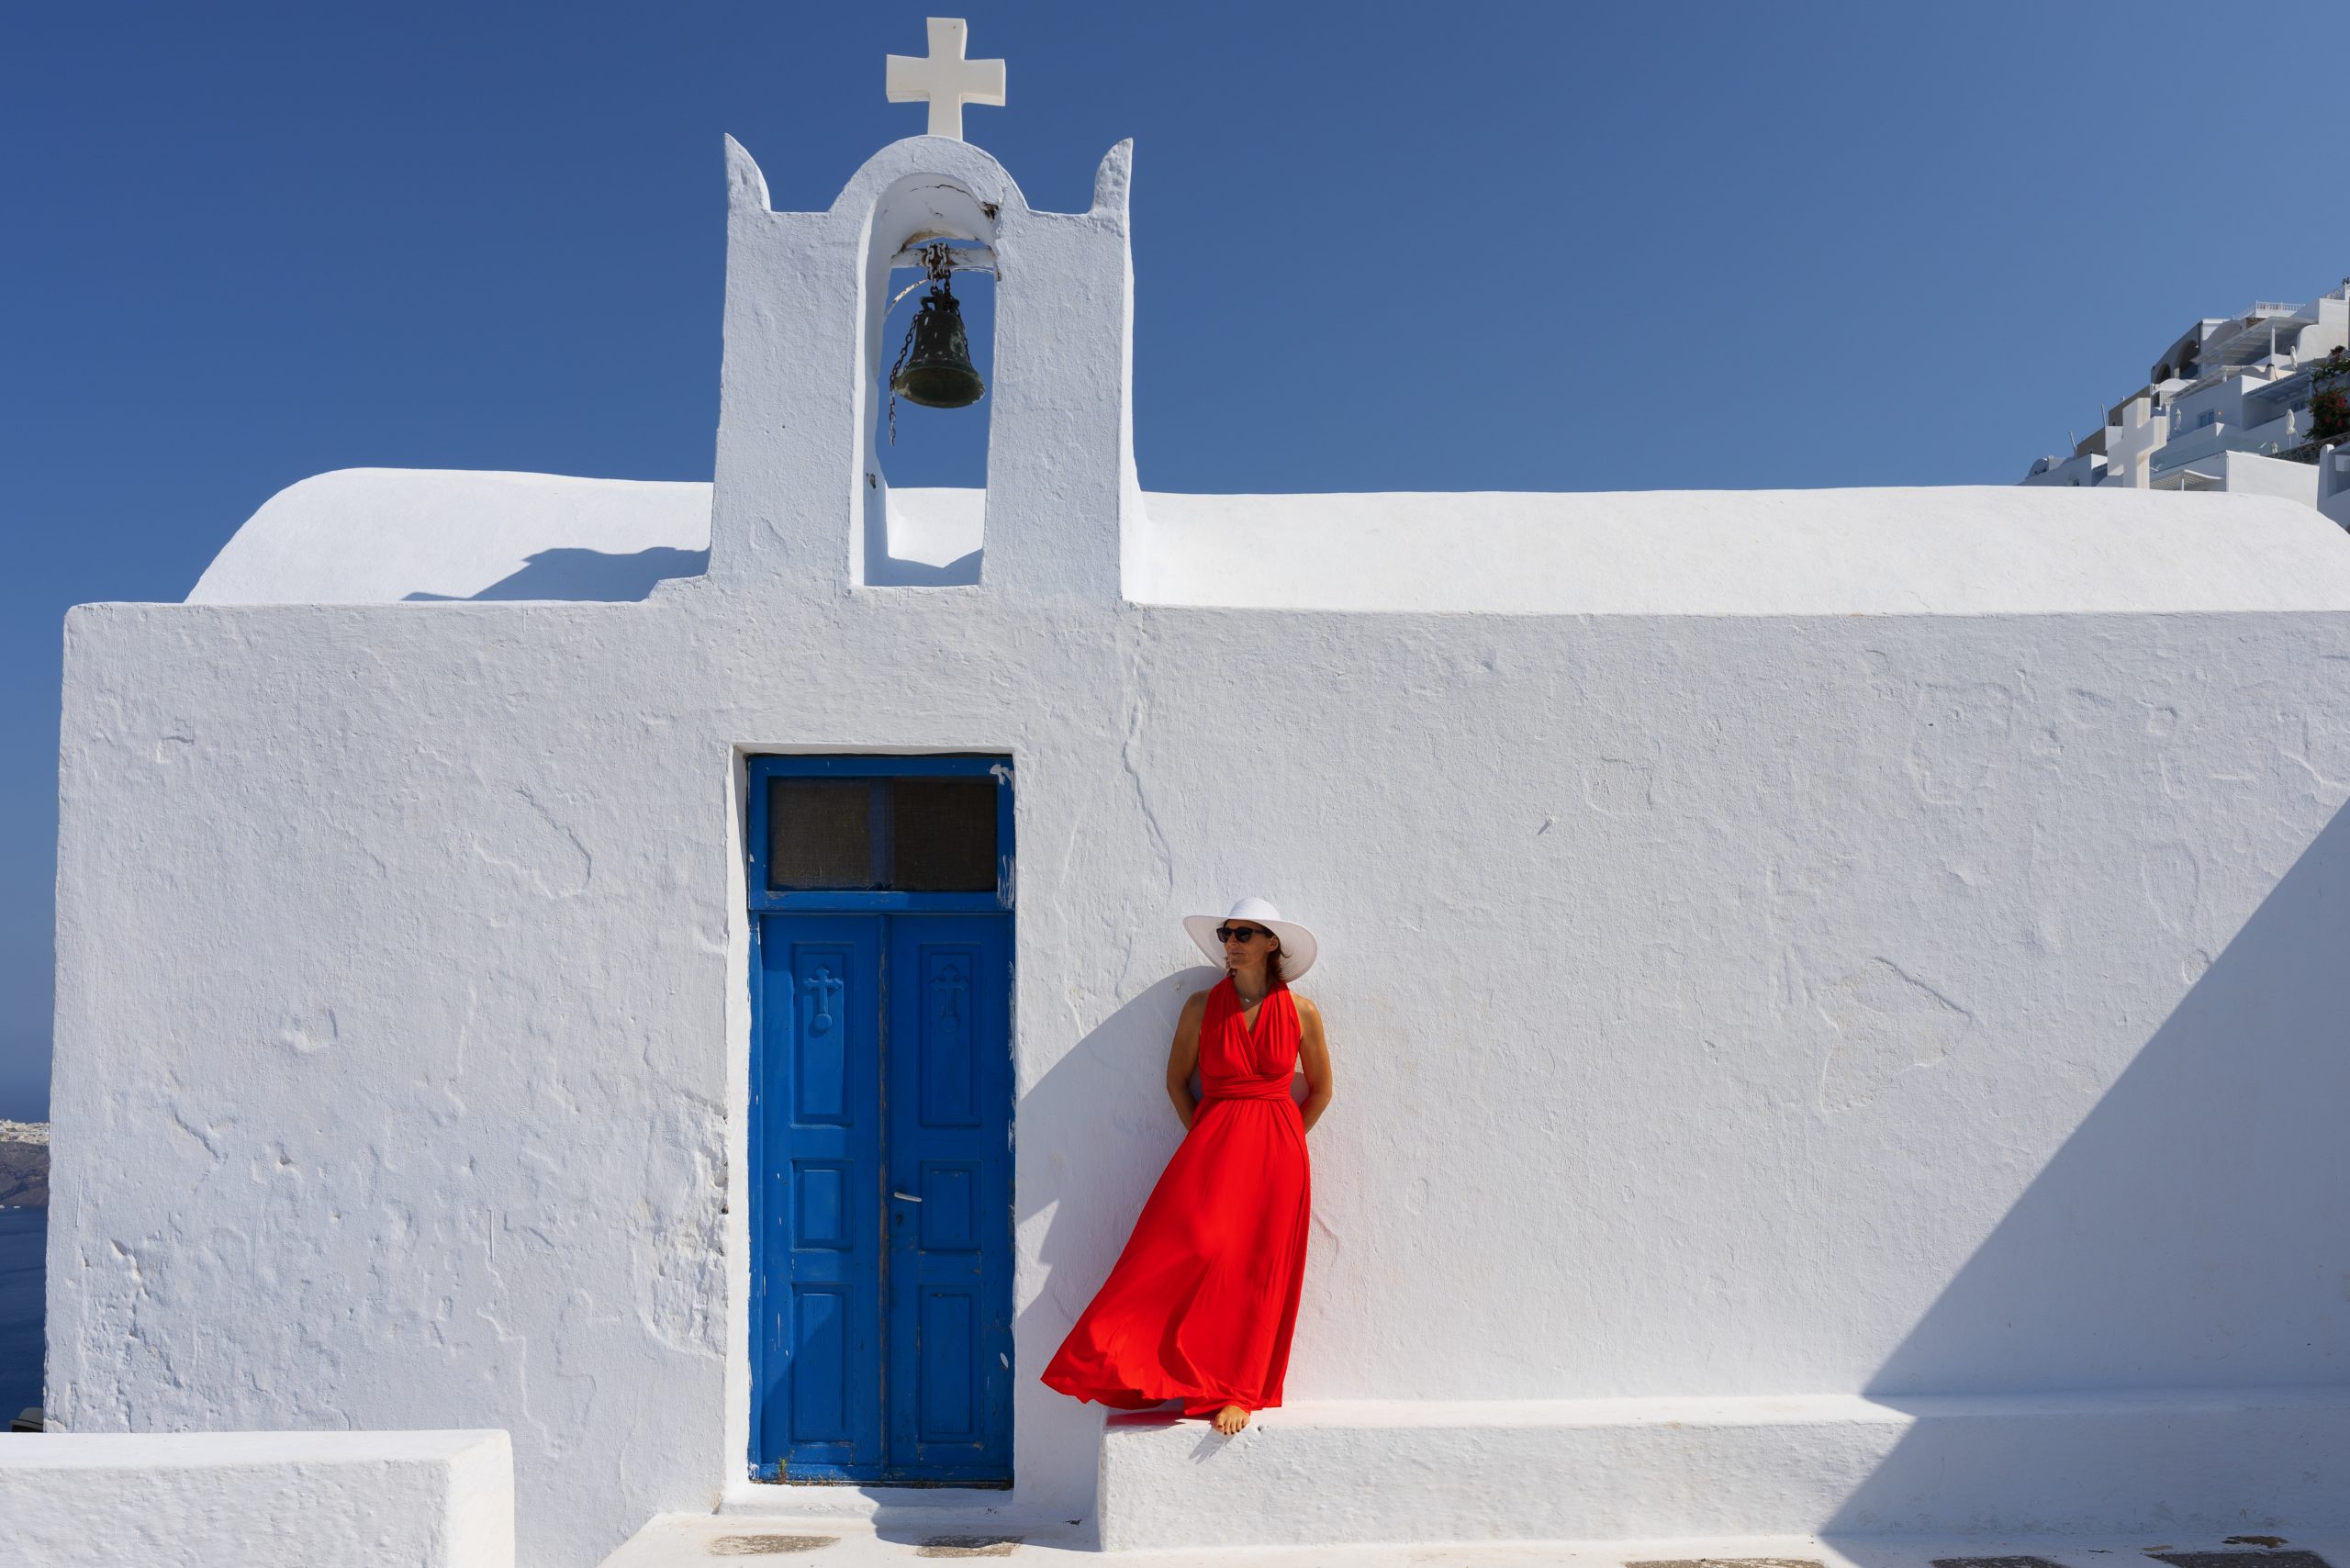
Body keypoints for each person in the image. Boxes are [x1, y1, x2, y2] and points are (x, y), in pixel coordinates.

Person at [1039, 897, 1333, 1436]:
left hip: (1278, 1156)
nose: (1232, 943)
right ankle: (1129, 1363)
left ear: (1272, 944)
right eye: (1227, 933)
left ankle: (1234, 1391)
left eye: (1245, 933)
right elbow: (1176, 1082)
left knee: (1255, 1270)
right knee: (1191, 1246)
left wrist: (1285, 1139)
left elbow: (1320, 1090)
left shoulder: (1302, 1012)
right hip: (1212, 1146)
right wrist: (1209, 1136)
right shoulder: (1201, 1007)